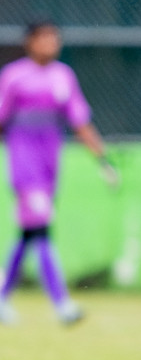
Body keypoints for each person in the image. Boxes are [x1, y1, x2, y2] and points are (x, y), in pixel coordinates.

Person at [0, 21, 118, 325]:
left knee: (28, 234)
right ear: (30, 42)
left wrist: (103, 160)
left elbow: (80, 122)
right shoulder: (14, 77)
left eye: (55, 38)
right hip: (24, 166)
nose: (51, 43)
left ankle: (2, 297)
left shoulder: (64, 77)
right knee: (41, 231)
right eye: (45, 38)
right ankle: (62, 304)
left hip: (50, 165)